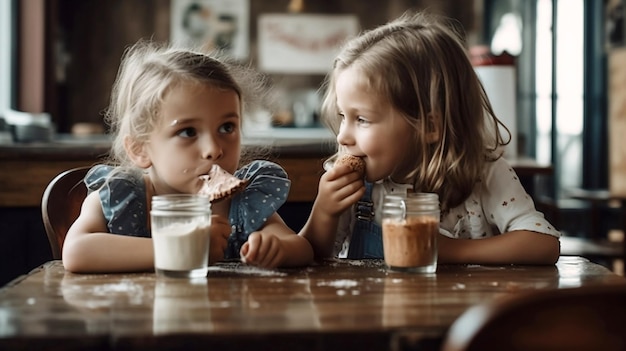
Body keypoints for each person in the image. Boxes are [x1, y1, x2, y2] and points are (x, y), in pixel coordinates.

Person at [299, 11, 561, 265]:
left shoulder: (483, 174)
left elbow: (543, 243)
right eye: (343, 116)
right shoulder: (355, 187)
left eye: (362, 120)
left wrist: (446, 250)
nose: (343, 136)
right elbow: (312, 257)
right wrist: (324, 212)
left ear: (429, 126)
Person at [63, 40, 313, 273]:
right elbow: (77, 252)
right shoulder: (122, 196)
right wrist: (181, 250)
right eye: (188, 132)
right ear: (140, 148)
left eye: (227, 128)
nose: (214, 149)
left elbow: (301, 248)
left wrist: (275, 248)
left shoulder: (242, 202)